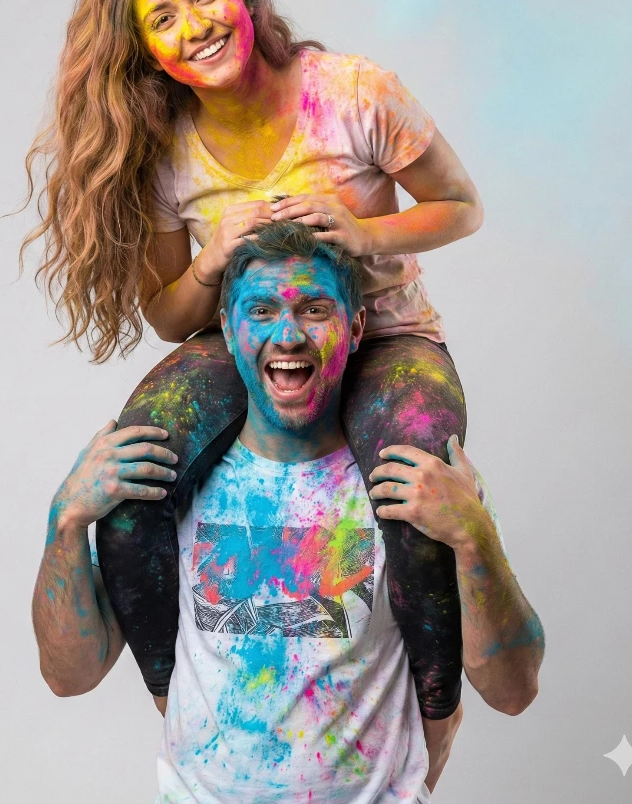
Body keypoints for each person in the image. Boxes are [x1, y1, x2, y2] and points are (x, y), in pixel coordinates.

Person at [21, 0, 485, 726]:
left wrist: (363, 232)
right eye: (163, 19)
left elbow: (461, 206)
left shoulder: (352, 91)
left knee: (417, 502)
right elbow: (170, 316)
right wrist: (209, 259)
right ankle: (178, 705)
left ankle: (431, 721)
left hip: (385, 340)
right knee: (133, 490)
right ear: (145, 50)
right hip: (253, 354)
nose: (194, 25)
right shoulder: (164, 147)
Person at [32, 221, 544, 802]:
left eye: (315, 310)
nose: (288, 333)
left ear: (355, 329)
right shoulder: (173, 484)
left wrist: (476, 538)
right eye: (262, 309)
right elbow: (68, 675)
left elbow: (513, 690)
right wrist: (66, 521)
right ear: (226, 329)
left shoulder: (418, 484)